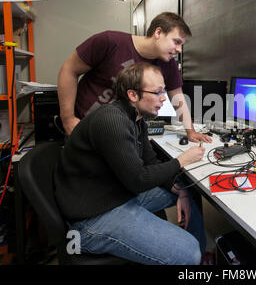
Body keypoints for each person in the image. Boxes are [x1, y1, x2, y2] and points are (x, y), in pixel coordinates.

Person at [54, 62, 207, 264]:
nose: (164, 98)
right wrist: (181, 160)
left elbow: (150, 161)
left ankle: (199, 261)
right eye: (158, 91)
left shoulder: (136, 118)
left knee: (190, 188)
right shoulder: (112, 121)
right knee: (189, 252)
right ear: (133, 95)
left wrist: (179, 190)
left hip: (118, 193)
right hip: (92, 218)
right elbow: (139, 180)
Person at [57, 11, 212, 144]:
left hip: (119, 132)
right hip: (83, 126)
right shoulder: (110, 41)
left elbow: (178, 97)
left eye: (182, 45)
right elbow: (69, 70)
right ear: (158, 33)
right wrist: (68, 119)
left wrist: (190, 131)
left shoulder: (168, 63)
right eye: (176, 42)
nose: (179, 49)